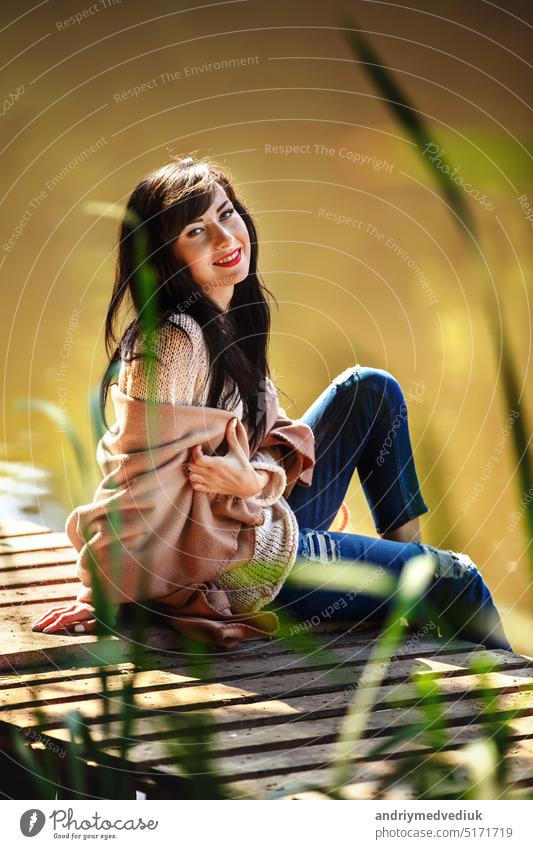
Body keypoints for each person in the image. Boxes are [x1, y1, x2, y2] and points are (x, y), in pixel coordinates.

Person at [31, 156, 512, 653]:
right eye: (196, 231)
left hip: (255, 510)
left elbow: (264, 442)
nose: (225, 238)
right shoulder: (172, 342)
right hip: (240, 562)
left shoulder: (231, 315)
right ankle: (503, 693)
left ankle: (405, 582)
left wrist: (254, 483)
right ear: (165, 255)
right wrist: (105, 595)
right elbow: (137, 477)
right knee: (459, 577)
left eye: (227, 214)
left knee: (370, 390)